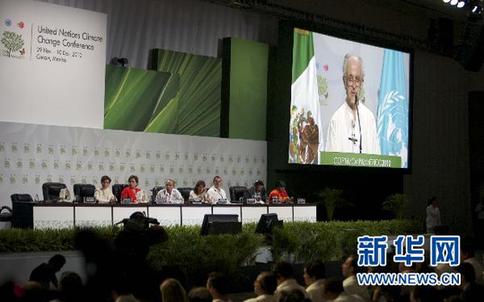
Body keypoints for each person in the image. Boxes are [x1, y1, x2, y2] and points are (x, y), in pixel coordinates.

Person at [325, 54, 380, 155]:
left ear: (362, 82)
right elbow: (329, 163)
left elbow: (377, 160)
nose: (354, 86)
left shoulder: (369, 118)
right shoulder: (336, 120)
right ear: (344, 81)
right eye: (350, 79)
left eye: (357, 79)